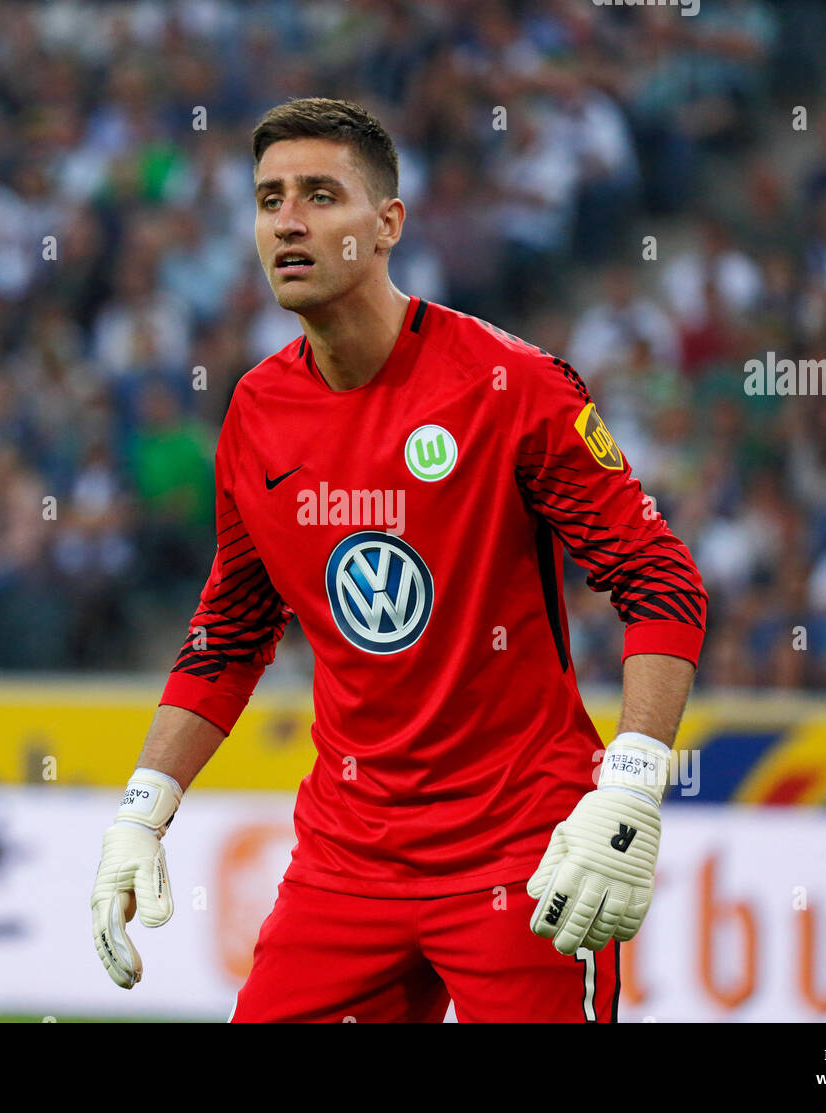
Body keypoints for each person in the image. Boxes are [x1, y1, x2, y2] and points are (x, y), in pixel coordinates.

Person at [90, 97, 708, 1023]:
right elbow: (227, 636)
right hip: (350, 859)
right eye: (268, 200)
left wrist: (631, 783)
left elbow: (660, 580)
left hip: (522, 847)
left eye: (319, 195)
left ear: (387, 226)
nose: (288, 221)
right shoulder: (257, 414)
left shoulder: (511, 386)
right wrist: (143, 809)